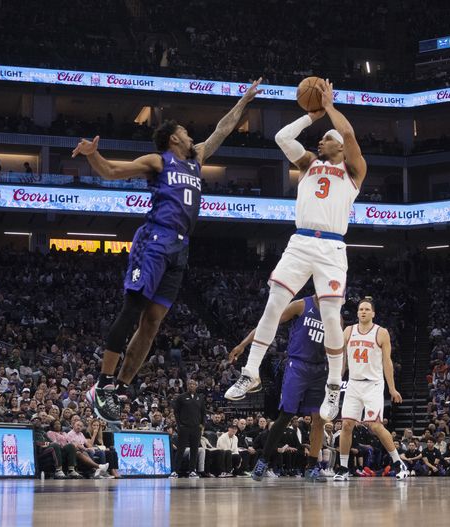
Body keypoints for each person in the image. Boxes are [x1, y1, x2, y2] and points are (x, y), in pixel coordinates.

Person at [74, 78, 263, 423]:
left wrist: (244, 101)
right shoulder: (159, 161)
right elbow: (113, 171)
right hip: (155, 240)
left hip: (181, 247)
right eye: (187, 132)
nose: (192, 136)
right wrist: (93, 155)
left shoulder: (196, 158)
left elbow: (222, 129)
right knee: (133, 310)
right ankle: (101, 384)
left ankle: (119, 389)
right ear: (174, 137)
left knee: (153, 323)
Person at [225, 80, 367, 424]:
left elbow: (347, 134)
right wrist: (310, 115)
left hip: (332, 247)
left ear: (339, 147)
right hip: (301, 242)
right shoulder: (307, 164)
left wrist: (330, 108)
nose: (321, 139)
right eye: (321, 137)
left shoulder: (353, 170)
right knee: (274, 302)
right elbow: (281, 138)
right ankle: (251, 371)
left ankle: (334, 384)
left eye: (326, 137)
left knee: (332, 316)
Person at [230, 295, 330, 483]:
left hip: (320, 370)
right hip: (298, 366)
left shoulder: (334, 314)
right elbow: (268, 324)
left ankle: (312, 466)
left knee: (319, 419)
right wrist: (244, 344)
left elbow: (336, 348)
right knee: (286, 415)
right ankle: (263, 460)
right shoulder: (301, 305)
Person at [333, 297, 409, 481]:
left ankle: (399, 463)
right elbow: (342, 359)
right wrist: (335, 380)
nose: (363, 312)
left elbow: (387, 362)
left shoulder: (381, 333)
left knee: (375, 425)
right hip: (353, 383)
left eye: (367, 309)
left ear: (373, 313)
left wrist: (392, 388)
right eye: (360, 309)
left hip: (373, 384)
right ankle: (343, 468)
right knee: (346, 424)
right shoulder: (348, 331)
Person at [171, 378, 205, 478]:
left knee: (194, 450)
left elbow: (203, 412)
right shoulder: (181, 397)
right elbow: (176, 412)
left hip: (196, 428)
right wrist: (179, 425)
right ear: (187, 386)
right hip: (184, 427)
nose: (191, 385)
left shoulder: (200, 398)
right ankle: (175, 471)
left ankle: (192, 471)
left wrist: (202, 425)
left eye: (193, 384)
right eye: (189, 384)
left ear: (196, 386)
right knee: (181, 449)